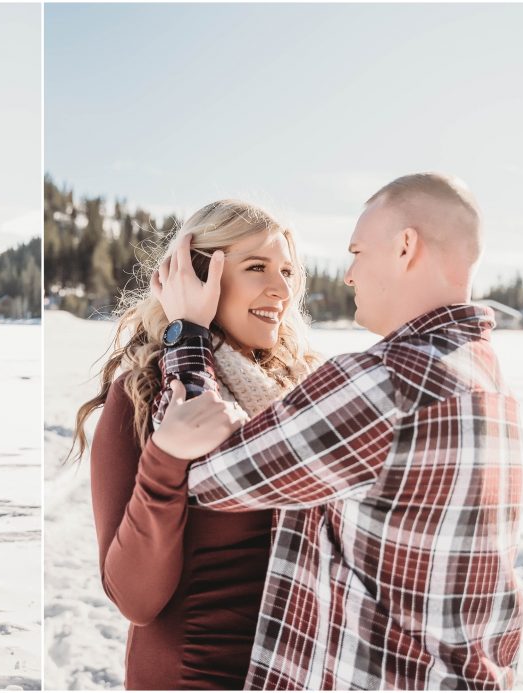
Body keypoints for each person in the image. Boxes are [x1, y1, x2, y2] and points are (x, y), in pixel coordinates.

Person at [151, 173, 523, 689]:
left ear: (405, 247)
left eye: (357, 252)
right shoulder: (490, 382)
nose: (348, 275)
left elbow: (202, 468)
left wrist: (186, 333)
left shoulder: (388, 382)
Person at [72, 200, 320, 689]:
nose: (282, 289)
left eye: (289, 271)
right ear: (199, 274)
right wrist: (166, 460)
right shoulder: (142, 395)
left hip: (297, 674)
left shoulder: (301, 391)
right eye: (257, 267)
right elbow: (135, 598)